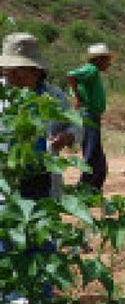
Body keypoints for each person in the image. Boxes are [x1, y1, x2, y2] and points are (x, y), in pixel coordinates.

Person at [0, 32, 77, 200]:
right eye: (7, 72)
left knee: (42, 220)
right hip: (6, 177)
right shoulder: (2, 92)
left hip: (41, 176)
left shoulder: (54, 96)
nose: (11, 78)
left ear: (35, 70)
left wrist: (68, 136)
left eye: (18, 72)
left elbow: (75, 125)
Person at [67, 42, 112, 192]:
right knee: (92, 156)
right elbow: (71, 75)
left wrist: (76, 94)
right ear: (98, 59)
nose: (109, 63)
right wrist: (77, 98)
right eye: (106, 59)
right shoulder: (91, 69)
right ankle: (81, 191)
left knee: (99, 163)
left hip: (93, 116)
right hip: (89, 116)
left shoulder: (93, 72)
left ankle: (93, 192)